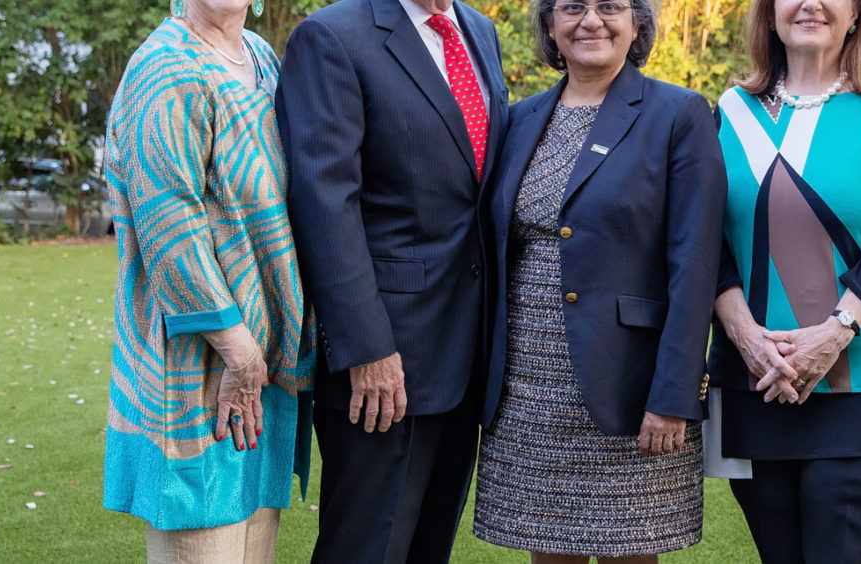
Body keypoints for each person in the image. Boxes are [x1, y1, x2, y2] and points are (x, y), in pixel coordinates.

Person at [471, 0, 727, 561]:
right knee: (547, 548)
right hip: (529, 390)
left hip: (631, 387)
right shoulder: (517, 119)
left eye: (609, 6)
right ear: (549, 25)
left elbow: (697, 263)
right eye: (572, 8)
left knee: (629, 549)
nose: (590, 21)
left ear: (637, 24)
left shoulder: (679, 114)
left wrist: (675, 393)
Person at [705, 0, 861, 561]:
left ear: (857, 15)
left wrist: (838, 329)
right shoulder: (729, 110)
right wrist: (745, 335)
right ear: (768, 13)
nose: (811, 3)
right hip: (758, 383)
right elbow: (701, 239)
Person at [275, 0, 508, 561]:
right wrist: (367, 349)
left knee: (429, 549)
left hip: (467, 354)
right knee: (366, 549)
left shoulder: (479, 31)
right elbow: (323, 202)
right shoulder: (330, 36)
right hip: (383, 363)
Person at [101, 0, 316, 561]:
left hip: (262, 352)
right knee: (204, 539)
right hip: (202, 351)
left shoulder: (262, 58)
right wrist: (238, 350)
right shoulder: (166, 67)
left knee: (253, 543)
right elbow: (167, 218)